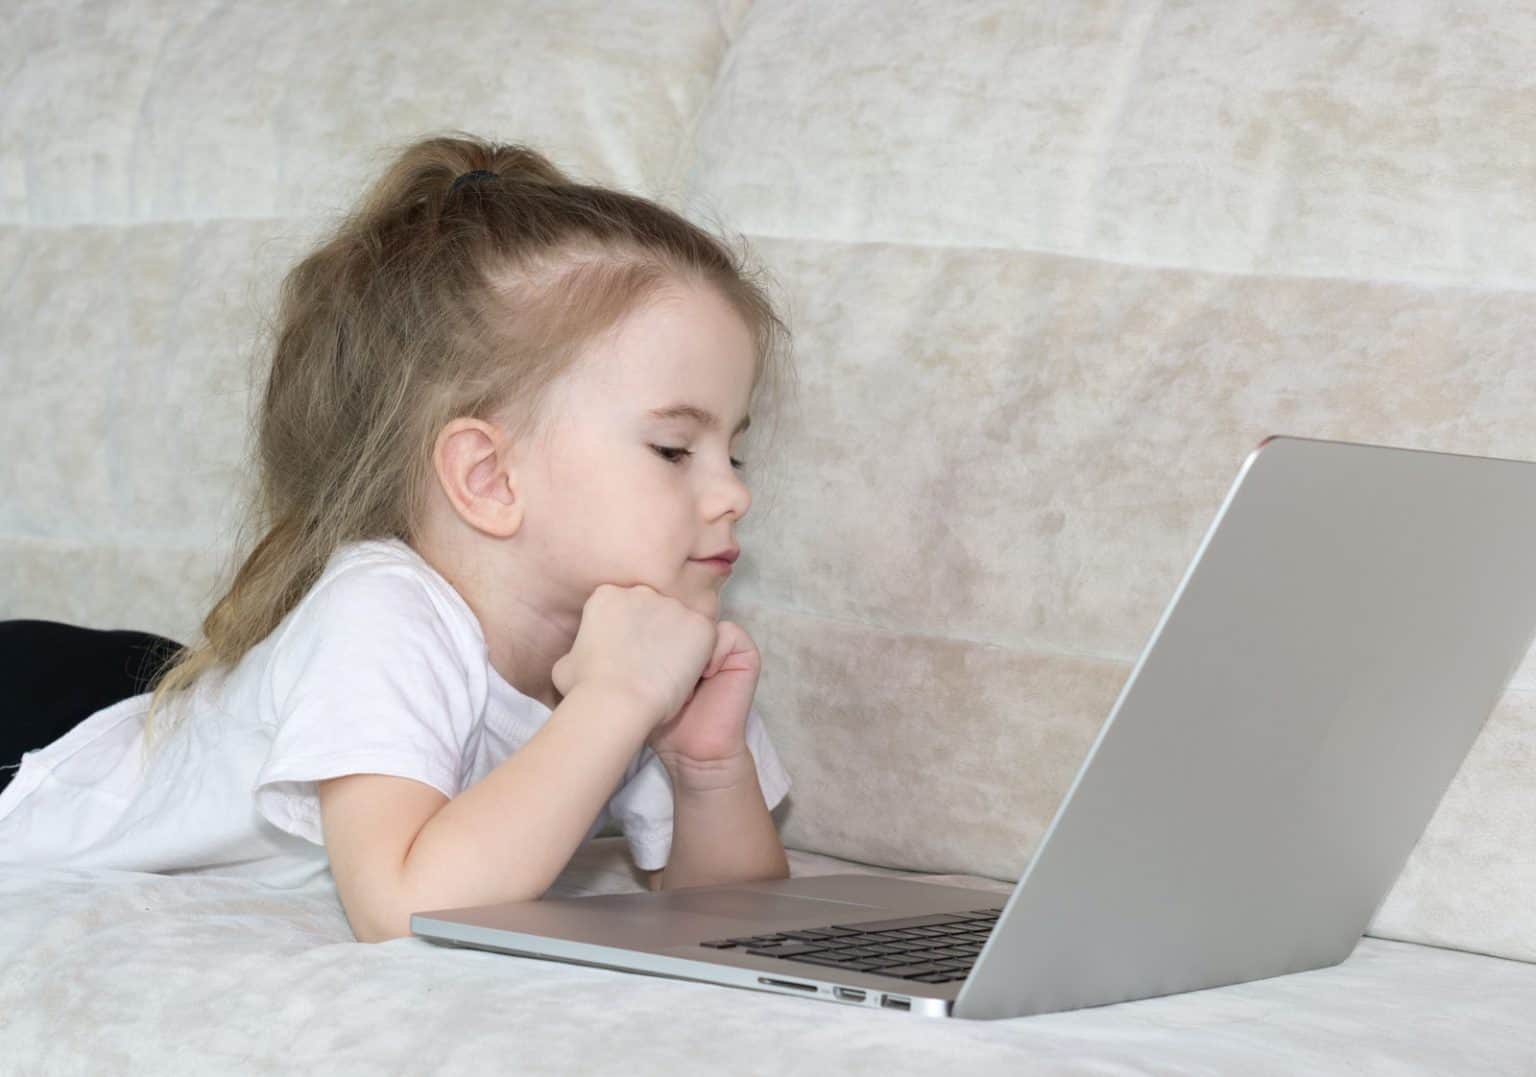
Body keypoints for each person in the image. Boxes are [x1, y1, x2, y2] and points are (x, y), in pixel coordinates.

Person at [0, 132, 800, 942]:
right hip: (35, 733)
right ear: (488, 478)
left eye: (733, 449)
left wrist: (705, 767)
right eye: (674, 450)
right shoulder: (382, 611)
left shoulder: (647, 636)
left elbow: (737, 917)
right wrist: (613, 703)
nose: (733, 490)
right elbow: (399, 908)